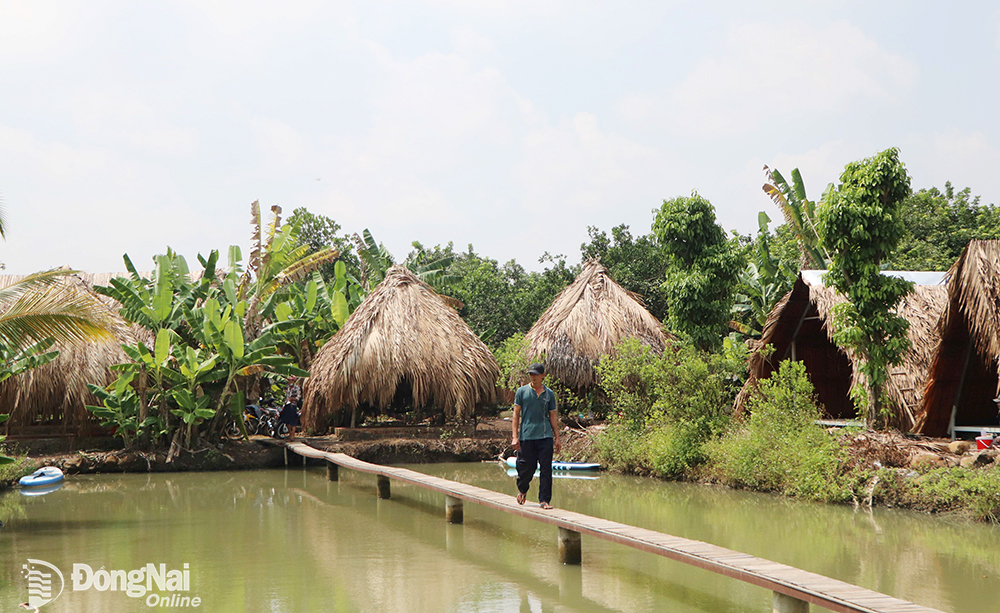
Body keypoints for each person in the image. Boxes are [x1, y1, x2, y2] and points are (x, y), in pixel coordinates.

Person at [511, 362, 560, 510]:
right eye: (531, 374)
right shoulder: (521, 392)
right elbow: (515, 414)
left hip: (545, 436)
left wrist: (557, 437)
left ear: (543, 375)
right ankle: (523, 489)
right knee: (526, 467)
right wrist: (515, 436)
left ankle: (544, 500)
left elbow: (552, 416)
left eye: (536, 374)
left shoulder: (549, 394)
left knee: (546, 468)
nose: (533, 377)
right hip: (527, 436)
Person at [279, 375, 302, 441]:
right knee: (286, 421)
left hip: (293, 405)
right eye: (288, 380)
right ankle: (290, 434)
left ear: (293, 381)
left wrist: (292, 399)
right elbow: (286, 397)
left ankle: (292, 436)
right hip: (287, 405)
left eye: (290, 380)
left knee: (293, 421)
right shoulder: (288, 388)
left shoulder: (296, 388)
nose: (289, 382)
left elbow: (298, 398)